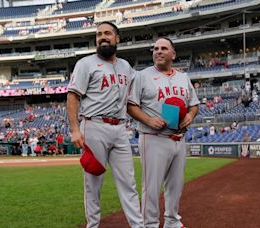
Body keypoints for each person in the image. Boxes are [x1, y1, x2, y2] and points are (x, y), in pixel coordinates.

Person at [67, 21, 143, 228]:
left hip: (120, 128)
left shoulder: (126, 66)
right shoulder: (85, 64)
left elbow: (142, 86)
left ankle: (138, 226)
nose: (103, 37)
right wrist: (75, 129)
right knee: (93, 185)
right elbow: (73, 96)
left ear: (117, 38)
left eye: (107, 33)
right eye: (99, 34)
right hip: (94, 126)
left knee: (129, 183)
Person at [128, 37, 200, 228]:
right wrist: (149, 120)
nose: (158, 51)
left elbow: (194, 105)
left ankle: (172, 222)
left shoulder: (183, 77)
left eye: (163, 48)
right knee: (151, 187)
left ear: (173, 54)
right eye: (156, 49)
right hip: (153, 137)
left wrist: (191, 116)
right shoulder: (141, 76)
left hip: (179, 138)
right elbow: (130, 105)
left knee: (175, 186)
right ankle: (150, 224)